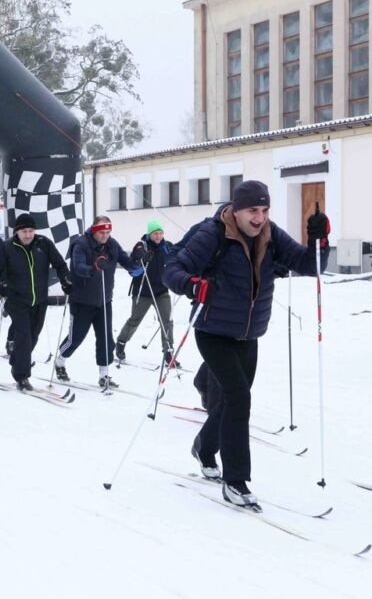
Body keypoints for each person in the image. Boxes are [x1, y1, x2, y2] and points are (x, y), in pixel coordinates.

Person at [164, 180, 329, 509]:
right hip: (212, 330)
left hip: (249, 333)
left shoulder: (271, 234)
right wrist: (194, 285)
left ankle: (204, 447)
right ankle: (235, 481)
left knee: (228, 401)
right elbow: (173, 269)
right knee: (239, 398)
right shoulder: (213, 235)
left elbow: (311, 266)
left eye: (264, 210)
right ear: (236, 210)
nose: (259, 217)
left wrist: (319, 240)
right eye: (253, 210)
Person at [0, 213, 72, 391]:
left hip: (40, 299)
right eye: (24, 231)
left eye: (31, 230)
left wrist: (65, 279)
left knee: (33, 335)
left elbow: (60, 264)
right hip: (16, 299)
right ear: (17, 232)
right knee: (24, 336)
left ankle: (16, 361)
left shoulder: (43, 243)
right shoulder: (7, 247)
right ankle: (22, 376)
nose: (28, 235)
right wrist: (2, 288)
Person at [53, 216, 137, 390]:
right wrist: (94, 268)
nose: (105, 236)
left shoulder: (112, 245)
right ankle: (60, 361)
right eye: (102, 232)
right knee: (76, 337)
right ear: (94, 230)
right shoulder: (81, 244)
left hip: (104, 301)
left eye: (108, 232)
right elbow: (78, 267)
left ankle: (104, 374)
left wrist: (138, 259)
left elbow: (128, 264)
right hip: (82, 300)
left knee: (106, 339)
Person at [115, 219, 179, 367]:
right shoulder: (141, 246)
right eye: (155, 233)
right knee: (135, 320)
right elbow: (133, 270)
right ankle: (121, 342)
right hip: (143, 291)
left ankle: (168, 352)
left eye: (160, 233)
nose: (158, 236)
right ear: (149, 234)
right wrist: (142, 259)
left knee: (167, 322)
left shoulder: (168, 247)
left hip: (162, 291)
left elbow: (176, 261)